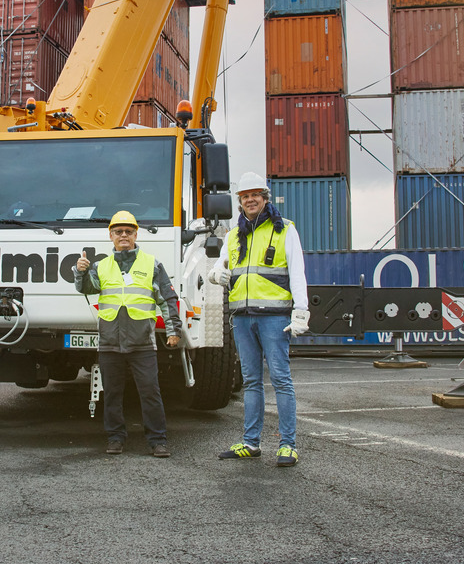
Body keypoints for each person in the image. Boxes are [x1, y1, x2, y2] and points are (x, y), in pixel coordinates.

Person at [208, 172, 310, 467]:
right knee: (252, 381)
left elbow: (297, 273)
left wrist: (300, 310)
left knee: (280, 379)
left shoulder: (285, 230)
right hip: (242, 317)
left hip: (275, 318)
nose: (250, 199)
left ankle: (288, 445)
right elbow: (216, 269)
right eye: (245, 196)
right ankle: (251, 443)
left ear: (265, 198)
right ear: (240, 202)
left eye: (256, 195)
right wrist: (217, 275)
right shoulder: (232, 235)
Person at [74, 210, 182, 458]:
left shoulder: (152, 264)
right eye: (118, 232)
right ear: (110, 235)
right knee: (112, 393)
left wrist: (173, 329)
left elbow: (167, 298)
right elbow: (86, 288)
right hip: (110, 343)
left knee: (150, 393)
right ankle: (115, 438)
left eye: (128, 231)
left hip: (142, 343)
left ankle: (158, 441)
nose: (124, 235)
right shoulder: (101, 266)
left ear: (135, 234)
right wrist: (80, 271)